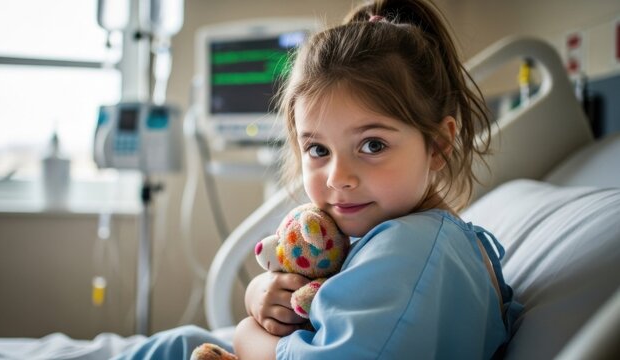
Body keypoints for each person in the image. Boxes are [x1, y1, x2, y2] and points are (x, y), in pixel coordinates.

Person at [113, 0, 521, 359]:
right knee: (178, 343)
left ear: (438, 145)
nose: (338, 178)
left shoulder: (412, 252)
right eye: (318, 150)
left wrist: (248, 331)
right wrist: (263, 296)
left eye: (373, 145)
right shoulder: (401, 238)